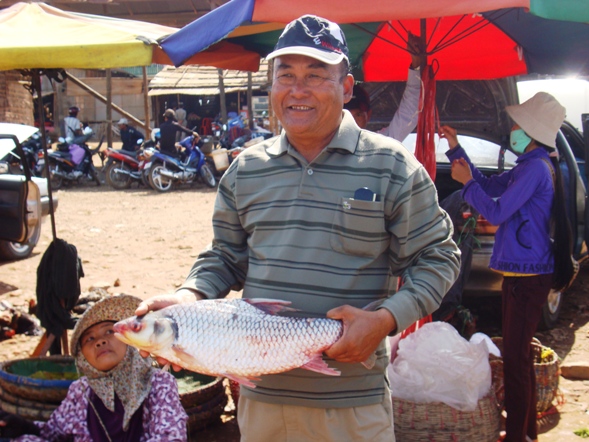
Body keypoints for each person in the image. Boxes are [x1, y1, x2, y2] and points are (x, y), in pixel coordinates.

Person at [137, 15, 460, 442]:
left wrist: (384, 320)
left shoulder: (392, 166)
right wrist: (186, 298)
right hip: (262, 404)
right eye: (285, 75)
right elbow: (225, 258)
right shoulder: (246, 170)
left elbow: (438, 257)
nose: (297, 90)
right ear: (271, 86)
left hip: (351, 406)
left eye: (315, 75)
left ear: (346, 87)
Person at [442, 91, 575, 442]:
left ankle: (517, 436)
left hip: (528, 277)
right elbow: (487, 186)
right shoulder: (529, 166)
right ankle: (525, 433)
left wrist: (466, 182)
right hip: (522, 274)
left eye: (517, 126)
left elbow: (496, 211)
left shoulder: (534, 169)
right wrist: (455, 149)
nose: (512, 130)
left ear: (530, 133)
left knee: (516, 361)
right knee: (519, 359)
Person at [0, 295, 188, 441]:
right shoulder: (81, 390)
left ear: (129, 339)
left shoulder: (158, 383)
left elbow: (170, 435)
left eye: (109, 331)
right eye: (89, 339)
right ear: (83, 357)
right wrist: (25, 427)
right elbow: (54, 432)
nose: (100, 341)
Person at [344, 32, 422, 141]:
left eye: (358, 115)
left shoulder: (377, 144)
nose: (352, 122)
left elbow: (409, 114)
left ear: (368, 115)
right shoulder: (324, 145)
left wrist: (416, 65)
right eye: (346, 115)